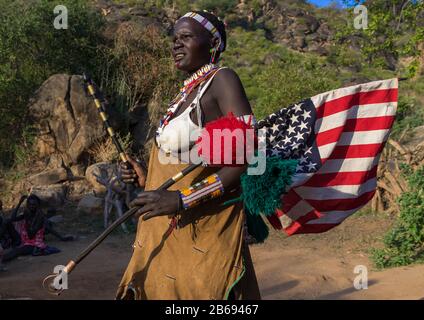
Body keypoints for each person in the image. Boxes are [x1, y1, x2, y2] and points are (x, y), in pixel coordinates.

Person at [116, 10, 261, 300]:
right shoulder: (184, 96)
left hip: (204, 233)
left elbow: (246, 158)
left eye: (186, 37)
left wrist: (181, 199)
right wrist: (146, 177)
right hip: (166, 234)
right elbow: (189, 161)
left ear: (212, 44)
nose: (176, 44)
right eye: (174, 38)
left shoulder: (222, 81)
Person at [0, 194, 47, 263]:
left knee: (17, 251)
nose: (32, 206)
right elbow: (13, 219)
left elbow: (31, 235)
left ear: (38, 205)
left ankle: (2, 260)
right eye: (30, 204)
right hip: (24, 241)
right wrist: (19, 203)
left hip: (35, 244)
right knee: (7, 221)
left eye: (34, 204)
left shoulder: (40, 217)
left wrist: (27, 221)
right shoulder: (28, 213)